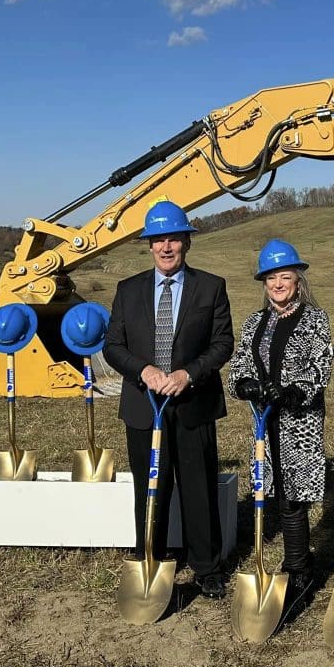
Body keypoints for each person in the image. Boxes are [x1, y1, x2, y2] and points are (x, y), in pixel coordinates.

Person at [103, 200, 234, 600]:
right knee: (150, 486)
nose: (166, 247)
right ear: (148, 245)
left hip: (192, 405)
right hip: (144, 406)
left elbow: (222, 343)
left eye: (173, 238)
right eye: (158, 240)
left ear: (186, 242)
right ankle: (150, 558)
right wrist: (143, 371)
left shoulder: (211, 287)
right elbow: (113, 346)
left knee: (198, 487)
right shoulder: (128, 290)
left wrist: (188, 373)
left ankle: (207, 567)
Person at [227, 239, 333, 617]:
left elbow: (321, 369)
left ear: (297, 280)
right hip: (264, 422)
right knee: (270, 494)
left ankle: (299, 571)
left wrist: (290, 390)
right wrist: (245, 384)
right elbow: (240, 362)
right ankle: (283, 565)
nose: (277, 284)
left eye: (284, 276)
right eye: (271, 277)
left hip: (298, 421)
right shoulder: (256, 320)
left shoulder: (315, 319)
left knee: (293, 498)